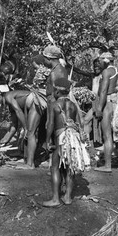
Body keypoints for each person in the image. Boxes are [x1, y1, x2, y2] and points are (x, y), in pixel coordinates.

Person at [44, 78, 89, 207]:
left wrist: (47, 141)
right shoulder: (73, 105)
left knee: (54, 167)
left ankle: (55, 199)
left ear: (57, 91)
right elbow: (78, 123)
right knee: (70, 166)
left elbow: (51, 124)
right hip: (73, 137)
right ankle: (68, 197)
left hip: (61, 137)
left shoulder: (54, 105)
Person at [93, 52, 118, 173]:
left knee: (107, 136)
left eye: (100, 60)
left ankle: (108, 165)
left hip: (108, 103)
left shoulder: (106, 72)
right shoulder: (115, 70)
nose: (99, 63)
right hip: (116, 103)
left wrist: (99, 109)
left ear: (106, 60)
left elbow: (103, 91)